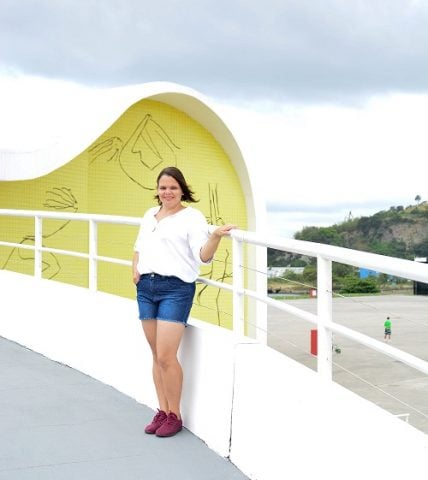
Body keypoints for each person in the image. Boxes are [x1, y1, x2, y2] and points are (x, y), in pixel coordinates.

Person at [132, 166, 235, 437]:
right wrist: (136, 270)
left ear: (182, 190)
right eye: (163, 187)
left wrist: (215, 237)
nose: (167, 192)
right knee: (155, 354)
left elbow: (202, 256)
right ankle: (162, 411)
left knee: (166, 355)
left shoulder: (192, 217)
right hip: (146, 287)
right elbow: (139, 247)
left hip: (175, 288)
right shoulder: (149, 215)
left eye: (173, 188)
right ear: (157, 190)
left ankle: (175, 415)